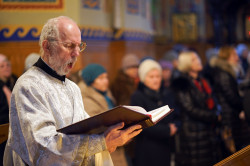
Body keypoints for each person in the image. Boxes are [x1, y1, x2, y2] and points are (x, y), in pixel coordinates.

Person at [3, 16, 142, 166]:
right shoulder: (29, 85)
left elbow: (88, 129)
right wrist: (101, 142)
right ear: (47, 46)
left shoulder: (72, 88)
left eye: (79, 46)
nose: (76, 53)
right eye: (69, 46)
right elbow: (43, 148)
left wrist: (115, 131)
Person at [171, 51, 220, 166]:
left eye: (198, 57)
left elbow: (213, 98)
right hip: (194, 133)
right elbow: (190, 109)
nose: (198, 61)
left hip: (209, 130)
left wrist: (217, 112)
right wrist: (214, 116)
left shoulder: (203, 80)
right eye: (193, 59)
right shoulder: (182, 83)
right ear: (187, 64)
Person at [79, 63, 129, 166]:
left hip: (117, 147)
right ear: (91, 81)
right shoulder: (86, 100)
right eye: (101, 78)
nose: (106, 81)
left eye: (106, 77)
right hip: (103, 149)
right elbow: (95, 127)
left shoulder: (107, 95)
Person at [130, 59, 178, 166]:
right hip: (147, 149)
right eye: (151, 77)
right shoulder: (137, 97)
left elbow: (175, 115)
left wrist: (174, 126)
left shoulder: (166, 93)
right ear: (143, 78)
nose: (155, 80)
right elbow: (142, 124)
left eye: (158, 76)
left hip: (166, 146)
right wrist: (167, 130)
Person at [209, 46, 250, 153]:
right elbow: (231, 96)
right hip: (229, 116)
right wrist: (244, 107)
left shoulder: (229, 71)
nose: (237, 58)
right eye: (234, 55)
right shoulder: (223, 73)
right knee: (232, 150)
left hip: (232, 114)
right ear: (227, 57)